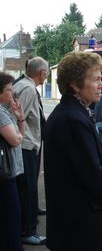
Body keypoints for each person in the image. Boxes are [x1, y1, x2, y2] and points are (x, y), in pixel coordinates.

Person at [44, 51, 102, 251]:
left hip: (75, 221)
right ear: (75, 84)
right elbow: (93, 172)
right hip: (80, 225)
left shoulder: (73, 113)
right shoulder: (72, 119)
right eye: (96, 79)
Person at [13, 57, 48, 245]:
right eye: (47, 72)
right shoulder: (27, 89)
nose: (47, 75)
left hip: (27, 144)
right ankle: (27, 230)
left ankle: (29, 218)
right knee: (27, 188)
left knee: (28, 187)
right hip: (25, 145)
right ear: (41, 72)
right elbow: (18, 117)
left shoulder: (25, 85)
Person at [0, 71, 25, 251]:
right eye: (9, 90)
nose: (12, 93)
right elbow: (15, 140)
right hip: (4, 175)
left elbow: (19, 137)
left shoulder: (4, 111)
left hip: (8, 173)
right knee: (11, 218)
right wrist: (19, 132)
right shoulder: (0, 114)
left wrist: (20, 117)